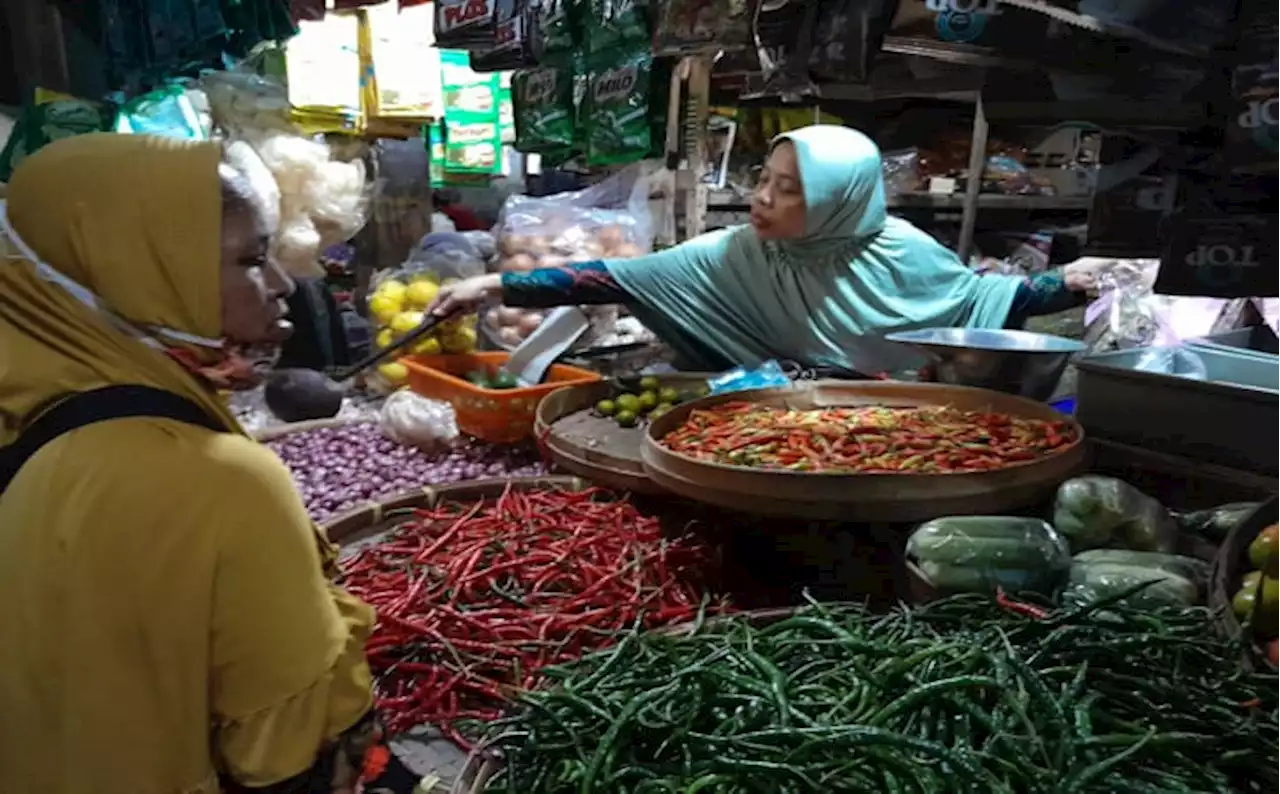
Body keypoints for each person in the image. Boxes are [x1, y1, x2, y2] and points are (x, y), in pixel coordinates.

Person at [0, 134, 416, 794]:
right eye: (252, 260)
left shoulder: (25, 411)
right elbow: (295, 759)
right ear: (139, 276)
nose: (283, 284)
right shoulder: (217, 482)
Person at [429, 125, 1093, 375]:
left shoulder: (906, 251)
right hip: (782, 424)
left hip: (900, 426)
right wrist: (487, 288)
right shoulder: (736, 252)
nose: (762, 200)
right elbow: (614, 277)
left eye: (789, 189)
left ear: (841, 199)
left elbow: (990, 302)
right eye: (764, 181)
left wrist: (1076, 281)